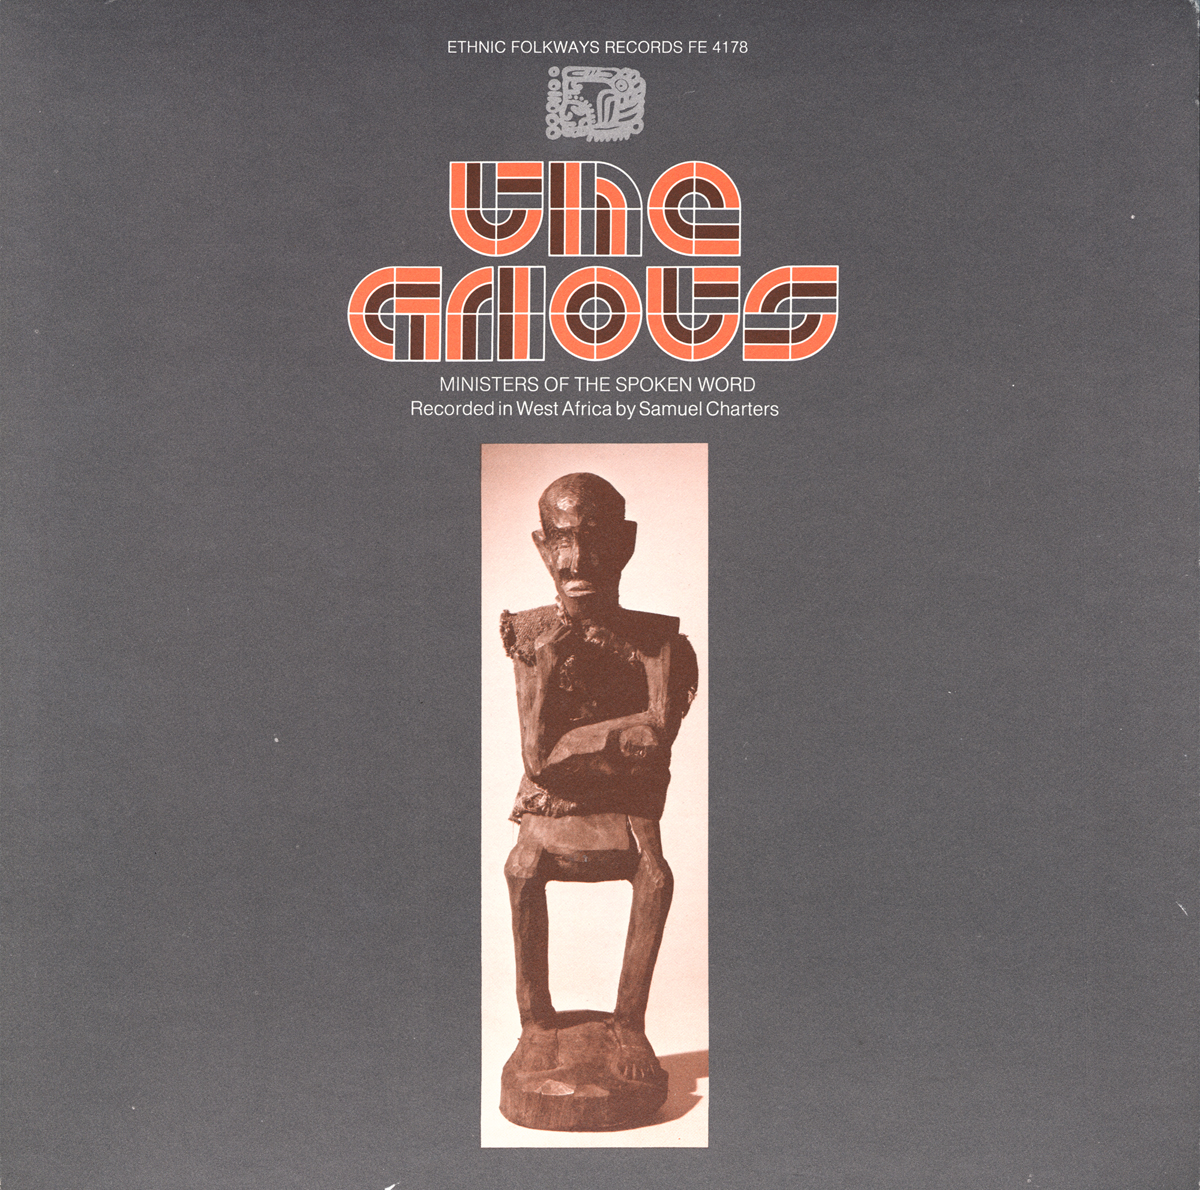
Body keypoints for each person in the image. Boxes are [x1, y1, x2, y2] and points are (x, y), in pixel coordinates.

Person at [500, 472, 697, 1082]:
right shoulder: (530, 632)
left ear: (625, 543)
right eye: (561, 540)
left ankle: (629, 1023)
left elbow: (656, 742)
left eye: (593, 538)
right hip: (551, 802)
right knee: (522, 869)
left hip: (630, 804)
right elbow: (538, 761)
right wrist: (617, 735)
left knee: (654, 875)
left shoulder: (659, 641)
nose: (576, 559)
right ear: (542, 546)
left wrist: (578, 747)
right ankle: (535, 1024)